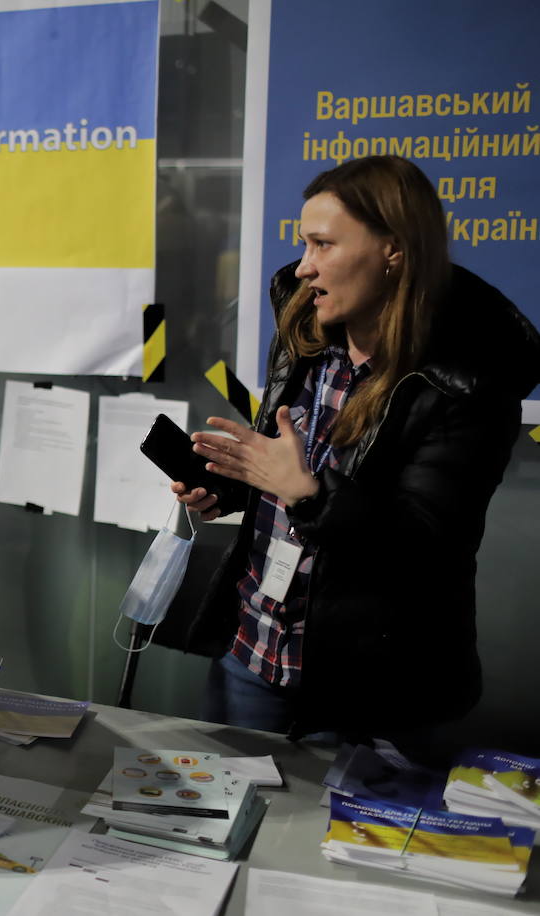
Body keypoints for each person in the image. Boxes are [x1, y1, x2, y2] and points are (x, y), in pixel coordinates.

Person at [172, 156, 540, 747]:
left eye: (323, 244)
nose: (304, 267)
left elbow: (423, 542)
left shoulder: (466, 384)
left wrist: (306, 493)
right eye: (303, 245)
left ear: (392, 250)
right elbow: (302, 473)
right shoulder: (307, 334)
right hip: (254, 653)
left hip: (366, 689)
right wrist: (236, 483)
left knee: (328, 841)